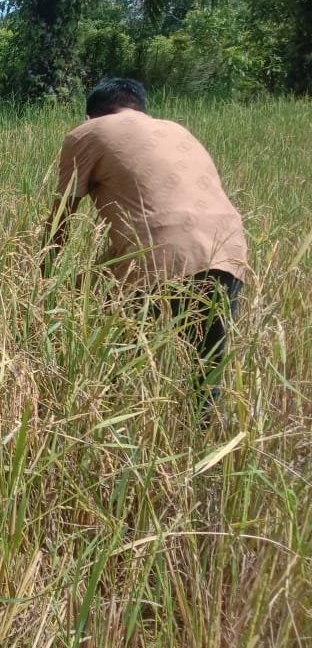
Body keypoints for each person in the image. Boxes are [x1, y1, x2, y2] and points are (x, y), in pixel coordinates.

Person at [44, 78, 248, 417]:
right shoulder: (177, 130)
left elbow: (61, 219)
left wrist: (43, 279)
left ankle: (109, 421)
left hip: (159, 252)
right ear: (139, 108)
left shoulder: (86, 133)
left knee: (117, 358)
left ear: (90, 116)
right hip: (228, 249)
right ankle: (207, 433)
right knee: (207, 371)